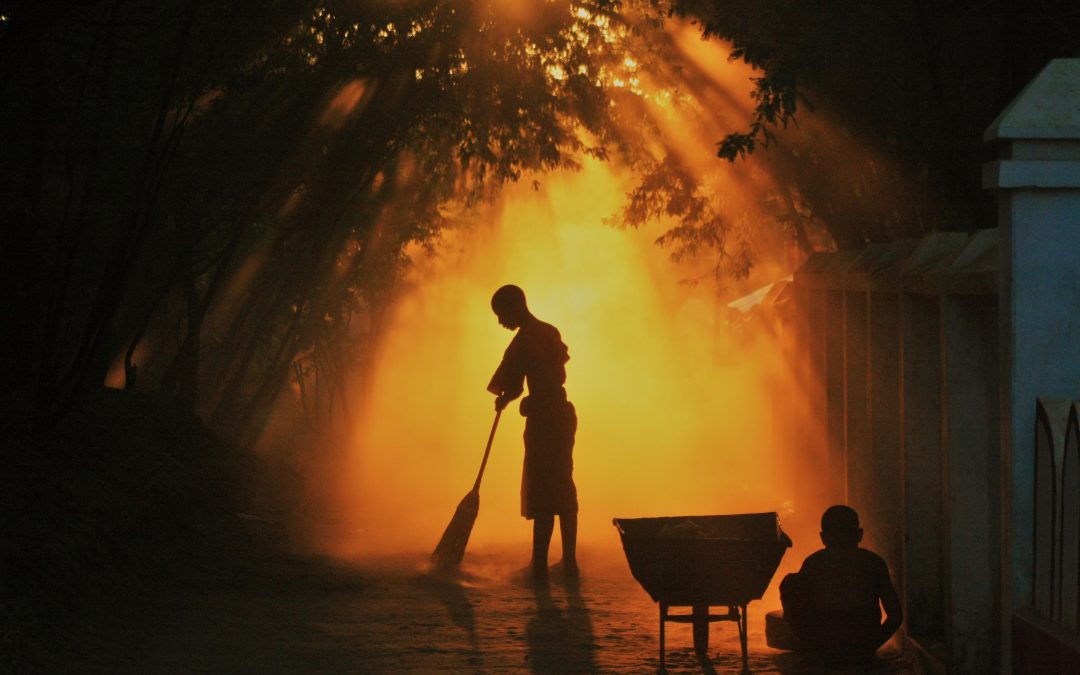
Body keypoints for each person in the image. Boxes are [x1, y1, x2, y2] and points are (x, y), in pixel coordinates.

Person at [486, 285, 578, 581]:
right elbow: (555, 374)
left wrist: (509, 400)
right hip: (562, 415)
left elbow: (513, 384)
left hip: (543, 420)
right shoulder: (549, 332)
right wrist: (519, 398)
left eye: (501, 315)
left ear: (514, 308)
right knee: (562, 487)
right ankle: (569, 562)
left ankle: (539, 566)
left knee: (543, 492)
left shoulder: (523, 343)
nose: (501, 322)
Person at [778, 505, 902, 670]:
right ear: (859, 535)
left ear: (823, 537)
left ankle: (818, 655)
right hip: (861, 640)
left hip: (825, 643)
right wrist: (869, 646)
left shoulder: (814, 563)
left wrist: (815, 646)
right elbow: (895, 616)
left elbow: (797, 609)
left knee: (790, 583)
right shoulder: (873, 563)